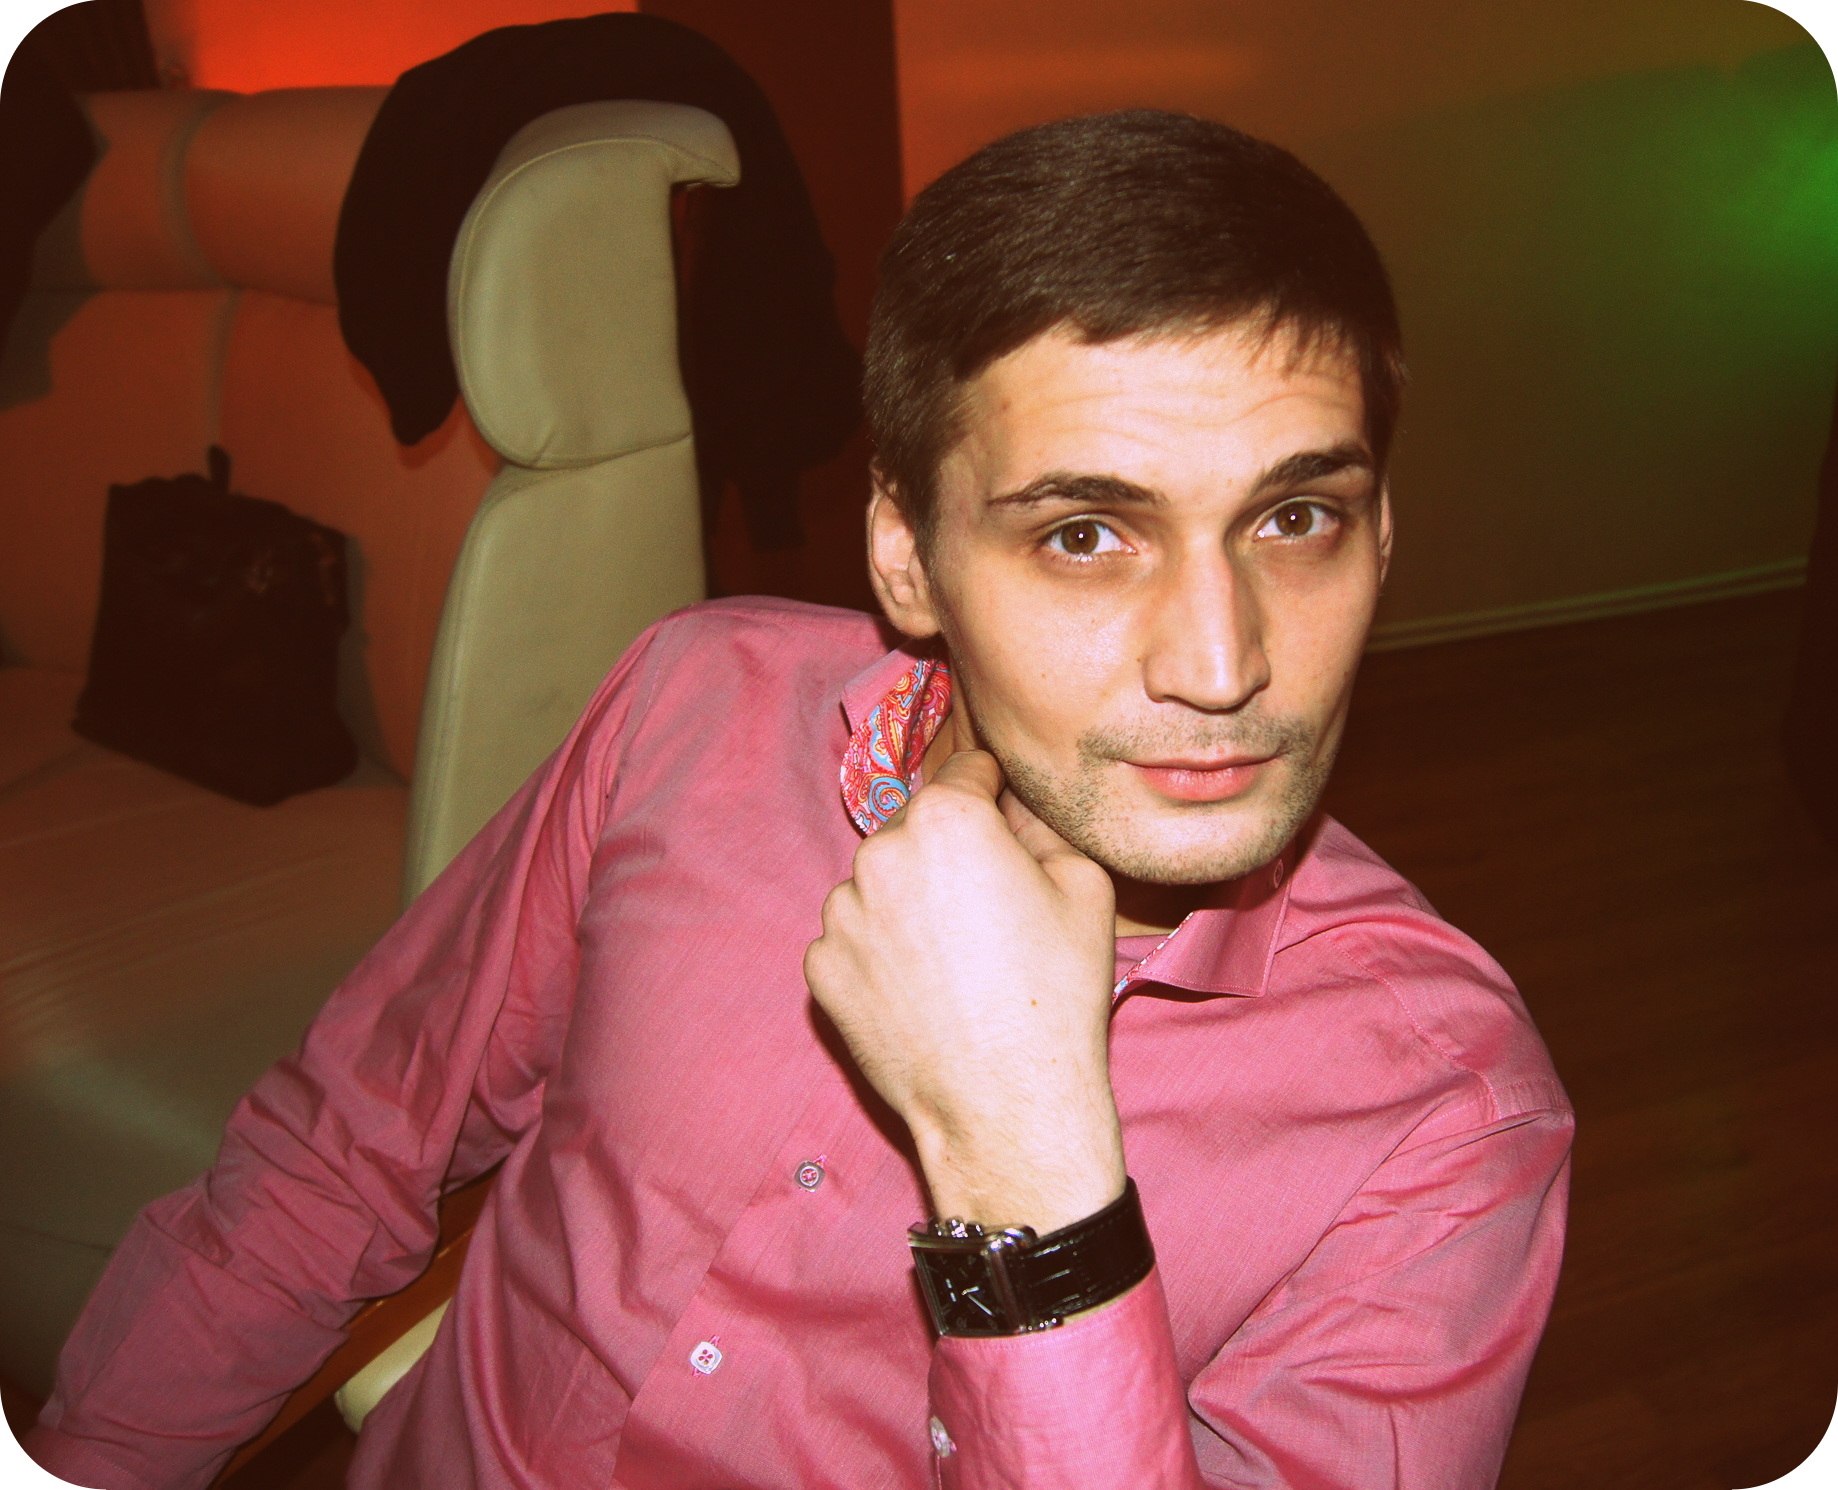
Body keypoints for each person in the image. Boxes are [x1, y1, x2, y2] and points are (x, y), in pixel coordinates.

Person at [25, 109, 1571, 1490]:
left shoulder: (1442, 1120)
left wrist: (1028, 1183)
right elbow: (345, 1145)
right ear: (905, 556)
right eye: (1084, 535)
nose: (1224, 665)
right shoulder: (690, 707)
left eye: (1294, 517)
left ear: (1380, 531)